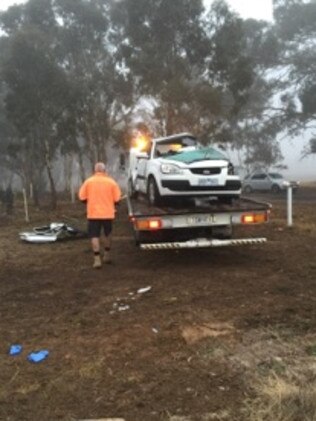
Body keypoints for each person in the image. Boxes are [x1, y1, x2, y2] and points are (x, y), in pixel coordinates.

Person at [79, 162, 121, 269]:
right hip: (108, 214)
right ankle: (107, 254)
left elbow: (82, 197)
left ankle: (97, 259)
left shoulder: (88, 182)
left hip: (93, 214)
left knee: (94, 236)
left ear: (95, 170)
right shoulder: (111, 182)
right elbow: (117, 199)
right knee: (108, 234)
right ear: (104, 170)